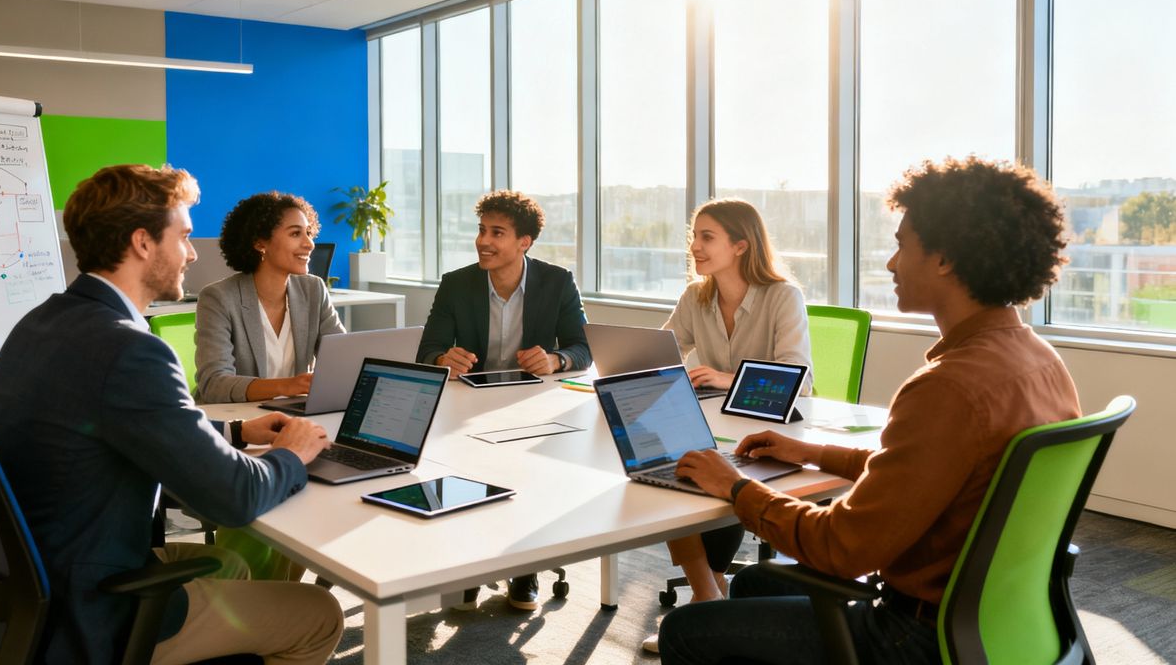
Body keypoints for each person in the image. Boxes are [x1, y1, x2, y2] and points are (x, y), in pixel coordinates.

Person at [658, 157, 1079, 665]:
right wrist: (814, 452)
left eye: (902, 245)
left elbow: (842, 546)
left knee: (686, 629)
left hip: (911, 634)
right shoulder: (1039, 361)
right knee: (753, 581)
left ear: (944, 258)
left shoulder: (948, 388)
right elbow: (926, 473)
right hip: (995, 618)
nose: (891, 264)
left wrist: (736, 487)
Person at [0, 165, 343, 664]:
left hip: (32, 578)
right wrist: (290, 455)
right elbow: (232, 499)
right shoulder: (128, 350)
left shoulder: (43, 322)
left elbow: (121, 427)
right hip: (92, 604)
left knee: (227, 563)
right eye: (186, 236)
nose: (193, 254)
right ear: (142, 243)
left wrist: (235, 430)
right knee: (319, 613)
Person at [643, 198, 814, 653]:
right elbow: (663, 355)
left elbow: (801, 378)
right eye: (693, 236)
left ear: (741, 245)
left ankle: (705, 603)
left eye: (707, 237)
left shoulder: (783, 296)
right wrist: (635, 376)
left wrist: (729, 377)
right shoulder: (695, 298)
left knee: (693, 470)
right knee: (666, 469)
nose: (694, 247)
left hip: (771, 433)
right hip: (715, 424)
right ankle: (708, 594)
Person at [417, 189, 591, 609]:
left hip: (530, 402)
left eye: (497, 233)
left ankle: (522, 570)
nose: (483, 241)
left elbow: (582, 348)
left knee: (522, 480)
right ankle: (471, 566)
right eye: (481, 230)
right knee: (467, 480)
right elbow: (426, 351)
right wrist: (445, 358)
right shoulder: (456, 284)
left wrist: (555, 358)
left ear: (524, 242)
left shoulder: (557, 281)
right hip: (470, 403)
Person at [194, 192, 344, 404]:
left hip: (294, 413)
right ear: (259, 243)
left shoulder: (313, 289)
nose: (309, 244)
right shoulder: (219, 298)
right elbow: (214, 384)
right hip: (237, 421)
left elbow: (343, 356)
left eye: (309, 233)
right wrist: (288, 385)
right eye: (295, 234)